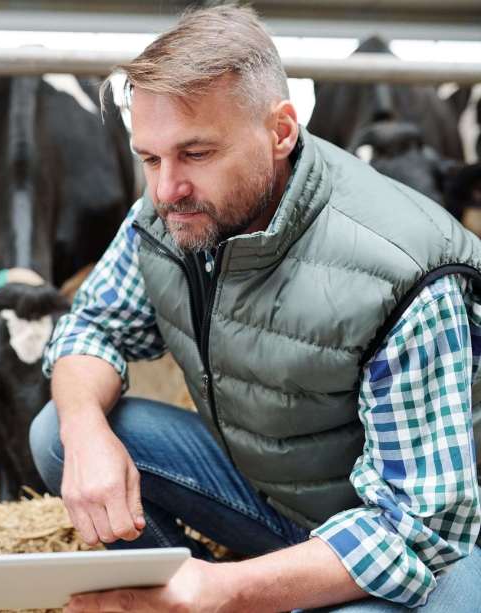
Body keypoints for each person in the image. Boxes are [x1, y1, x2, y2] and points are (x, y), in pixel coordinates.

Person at [29, 5, 481, 612]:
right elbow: (92, 325)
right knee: (58, 432)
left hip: (412, 541)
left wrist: (226, 591)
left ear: (280, 132)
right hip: (277, 499)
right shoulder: (173, 215)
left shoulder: (407, 275)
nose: (166, 189)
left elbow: (421, 535)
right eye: (150, 158)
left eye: (195, 153)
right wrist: (86, 435)